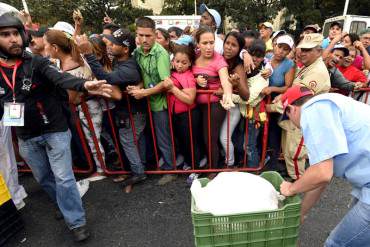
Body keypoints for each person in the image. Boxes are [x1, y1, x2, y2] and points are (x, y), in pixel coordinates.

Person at [0, 13, 113, 241]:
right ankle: (64, 204)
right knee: (43, 178)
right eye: (5, 35)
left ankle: (76, 222)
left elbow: (61, 78)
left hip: (54, 129)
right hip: (25, 135)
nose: (12, 39)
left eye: (15, 34)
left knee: (63, 177)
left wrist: (84, 84)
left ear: (22, 35)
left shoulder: (38, 62)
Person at [279, 85, 370, 247]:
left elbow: (322, 174)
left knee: (337, 243)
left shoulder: (313, 111)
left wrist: (291, 189)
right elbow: (320, 176)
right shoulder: (327, 106)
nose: (295, 126)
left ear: (291, 109)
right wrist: (302, 212)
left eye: (290, 121)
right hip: (366, 184)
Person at [78, 29, 148, 189]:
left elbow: (107, 78)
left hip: (134, 112)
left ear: (125, 49)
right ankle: (141, 167)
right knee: (136, 140)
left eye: (114, 44)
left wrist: (88, 54)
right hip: (130, 111)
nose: (109, 45)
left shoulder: (128, 67)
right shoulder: (119, 61)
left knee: (128, 141)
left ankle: (139, 172)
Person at [44, 29, 111, 179]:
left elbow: (72, 98)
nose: (44, 48)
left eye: (46, 44)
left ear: (55, 48)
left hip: (88, 106)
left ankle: (102, 170)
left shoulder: (70, 64)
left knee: (93, 138)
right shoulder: (70, 58)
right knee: (95, 137)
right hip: (87, 105)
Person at [273, 33, 331, 180]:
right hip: (295, 117)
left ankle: (298, 188)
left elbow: (298, 98)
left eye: (308, 50)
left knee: (295, 154)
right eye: (302, 49)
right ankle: (293, 178)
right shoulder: (309, 66)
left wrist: (272, 107)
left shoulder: (317, 71)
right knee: (289, 151)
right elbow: (294, 89)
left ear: (319, 51)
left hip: (304, 118)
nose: (302, 52)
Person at [127, 17, 176, 185]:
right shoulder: (137, 52)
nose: (144, 39)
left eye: (148, 36)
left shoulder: (160, 53)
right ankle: (148, 166)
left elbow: (165, 83)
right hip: (144, 102)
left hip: (159, 103)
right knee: (145, 136)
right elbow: (142, 76)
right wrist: (136, 88)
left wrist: (144, 92)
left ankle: (170, 170)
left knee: (163, 137)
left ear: (155, 35)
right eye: (141, 35)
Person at [192, 26, 234, 169]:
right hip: (195, 105)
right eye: (205, 43)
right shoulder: (194, 56)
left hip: (215, 105)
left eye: (212, 42)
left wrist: (227, 94)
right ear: (198, 44)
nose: (209, 47)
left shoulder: (219, 60)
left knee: (210, 137)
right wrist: (195, 80)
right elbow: (182, 69)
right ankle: (203, 163)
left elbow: (225, 80)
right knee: (198, 136)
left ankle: (213, 168)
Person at [162, 45, 203, 170]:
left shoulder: (189, 77)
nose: (180, 65)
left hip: (189, 114)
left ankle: (196, 167)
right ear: (173, 61)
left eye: (184, 62)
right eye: (177, 61)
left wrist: (173, 89)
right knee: (182, 141)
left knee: (191, 142)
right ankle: (188, 162)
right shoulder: (171, 73)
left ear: (190, 63)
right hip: (176, 114)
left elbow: (190, 99)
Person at [231, 39, 270, 167]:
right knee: (239, 142)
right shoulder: (246, 69)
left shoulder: (263, 77)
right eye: (252, 54)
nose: (255, 58)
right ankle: (245, 165)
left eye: (259, 56)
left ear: (263, 58)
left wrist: (227, 96)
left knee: (249, 145)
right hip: (244, 114)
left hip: (254, 117)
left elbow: (248, 98)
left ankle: (254, 171)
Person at [263, 35, 295, 172]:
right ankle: (261, 157)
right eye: (280, 47)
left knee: (275, 131)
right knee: (260, 129)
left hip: (277, 100)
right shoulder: (267, 57)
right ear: (274, 45)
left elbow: (288, 86)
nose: (281, 51)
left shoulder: (289, 64)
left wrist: (272, 89)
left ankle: (273, 163)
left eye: (285, 49)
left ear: (289, 52)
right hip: (262, 98)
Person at [219, 31, 249, 167]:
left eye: (234, 45)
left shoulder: (238, 66)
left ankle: (229, 164)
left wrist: (236, 84)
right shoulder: (218, 58)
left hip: (232, 108)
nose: (229, 47)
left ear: (239, 50)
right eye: (227, 43)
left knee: (224, 137)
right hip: (218, 106)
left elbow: (246, 95)